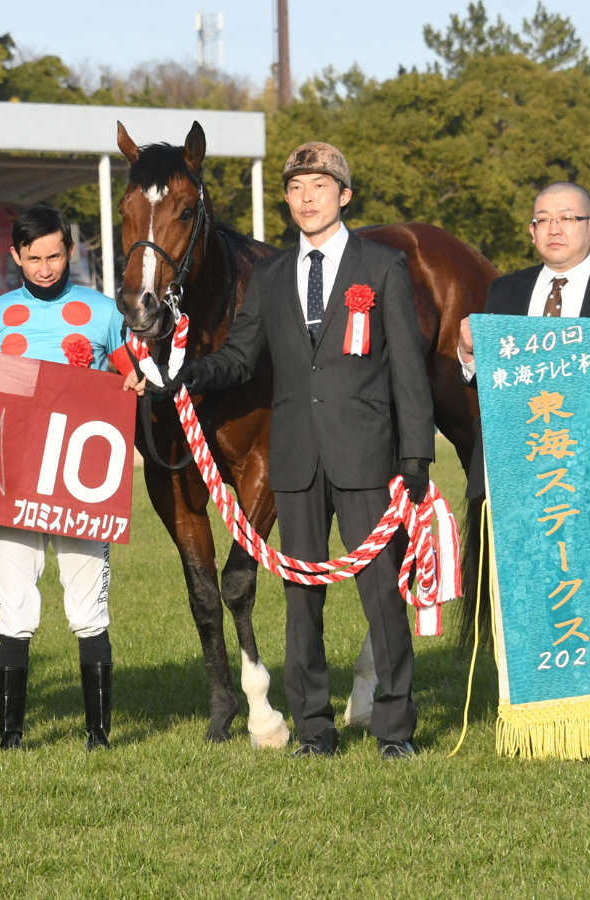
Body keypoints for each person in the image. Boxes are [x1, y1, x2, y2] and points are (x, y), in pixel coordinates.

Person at [127, 143, 435, 760]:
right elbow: (241, 358)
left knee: (379, 593)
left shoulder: (382, 267)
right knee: (301, 601)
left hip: (366, 454)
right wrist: (182, 376)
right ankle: (315, 728)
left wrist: (415, 457)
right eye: (295, 189)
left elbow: (407, 368)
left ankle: (394, 728)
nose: (306, 199)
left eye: (319, 187)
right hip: (294, 456)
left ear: (343, 196)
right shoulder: (270, 275)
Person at [457, 181, 590, 739]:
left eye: (568, 219)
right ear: (530, 231)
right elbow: (492, 384)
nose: (554, 230)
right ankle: (540, 727)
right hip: (526, 476)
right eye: (542, 220)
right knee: (532, 604)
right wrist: (466, 352)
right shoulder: (503, 293)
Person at [0, 205, 124, 750]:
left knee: (88, 604)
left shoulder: (103, 311)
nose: (45, 268)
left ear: (70, 252)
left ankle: (97, 735)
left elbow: (131, 374)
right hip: (12, 481)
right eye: (33, 257)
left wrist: (134, 377)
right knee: (14, 604)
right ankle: (11, 738)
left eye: (55, 256)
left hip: (81, 483)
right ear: (15, 256)